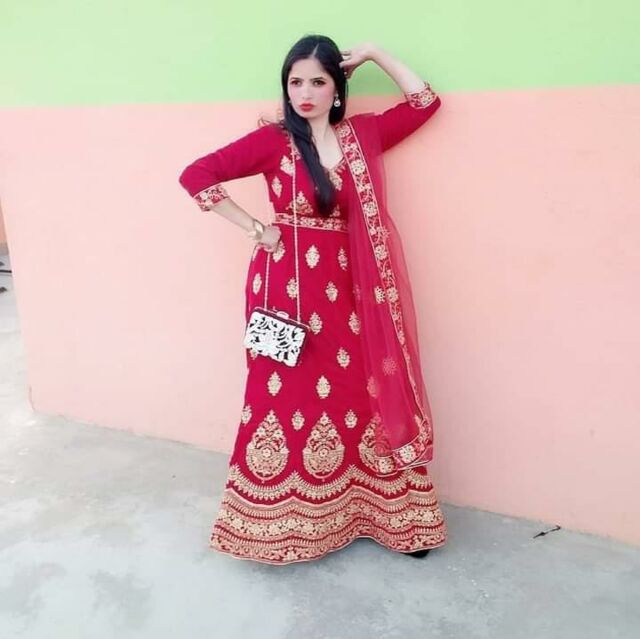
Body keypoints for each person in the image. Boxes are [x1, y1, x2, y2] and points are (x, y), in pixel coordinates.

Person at [178, 35, 447, 565]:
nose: (304, 93)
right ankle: (280, 525)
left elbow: (424, 103)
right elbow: (196, 175)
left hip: (353, 291)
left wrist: (376, 54)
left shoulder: (363, 137)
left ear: (337, 89)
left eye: (318, 82)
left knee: (361, 391)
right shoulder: (274, 142)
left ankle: (385, 516)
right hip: (286, 289)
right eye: (295, 82)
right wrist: (257, 229)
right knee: (284, 396)